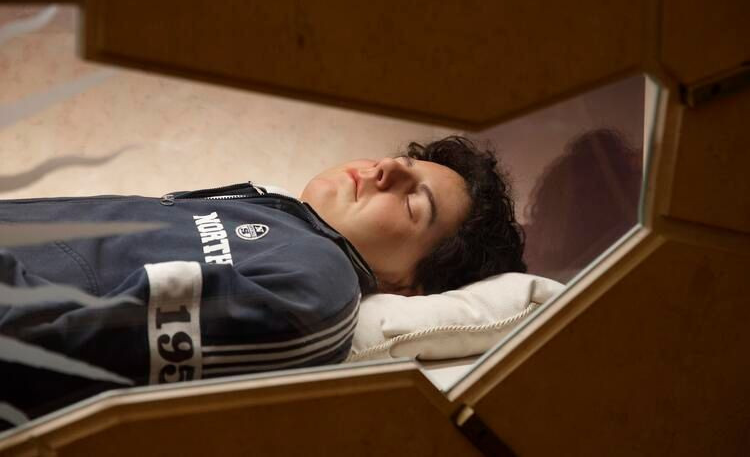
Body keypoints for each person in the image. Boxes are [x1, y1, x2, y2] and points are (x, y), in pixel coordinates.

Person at [0, 135, 525, 424]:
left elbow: (61, 357)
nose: (386, 168)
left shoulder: (316, 285)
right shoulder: (276, 213)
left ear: (407, 287)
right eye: (402, 161)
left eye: (413, 203)